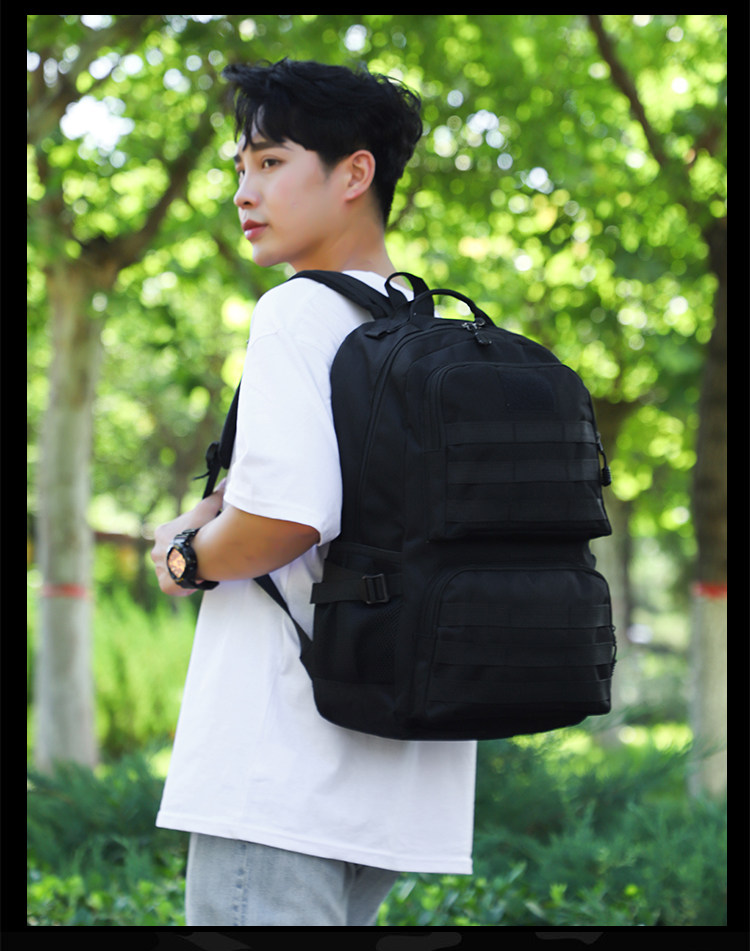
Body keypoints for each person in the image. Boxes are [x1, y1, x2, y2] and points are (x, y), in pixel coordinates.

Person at [150, 58, 477, 927]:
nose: (243, 191)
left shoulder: (295, 312)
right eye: (239, 167)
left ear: (354, 173)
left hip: (281, 770)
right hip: (390, 780)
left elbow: (285, 522)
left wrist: (184, 555)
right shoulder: (418, 328)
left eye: (269, 161)